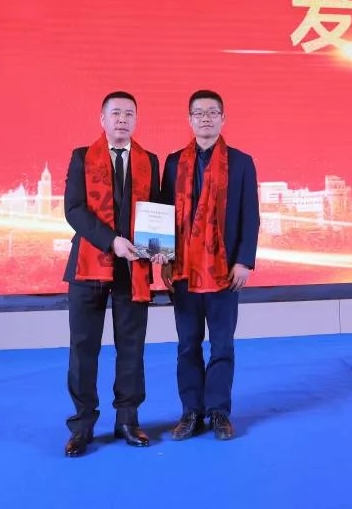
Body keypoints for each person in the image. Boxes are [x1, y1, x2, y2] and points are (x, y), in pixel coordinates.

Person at [61, 90, 160, 458]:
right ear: (102, 119)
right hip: (89, 265)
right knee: (83, 348)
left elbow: (157, 210)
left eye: (129, 114)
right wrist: (111, 242)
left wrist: (159, 249)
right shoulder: (81, 157)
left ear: (136, 120)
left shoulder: (149, 160)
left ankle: (128, 420)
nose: (122, 119)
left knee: (131, 347)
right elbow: (73, 210)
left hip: (133, 267)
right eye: (115, 113)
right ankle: (82, 425)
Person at [157, 89, 260, 441]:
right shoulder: (173, 162)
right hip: (184, 271)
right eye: (199, 113)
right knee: (187, 345)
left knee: (222, 345)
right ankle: (191, 411)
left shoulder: (241, 162)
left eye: (212, 112)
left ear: (223, 118)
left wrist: (244, 261)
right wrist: (163, 257)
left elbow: (250, 215)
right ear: (189, 120)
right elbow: (163, 213)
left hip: (224, 271)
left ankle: (218, 412)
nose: (205, 118)